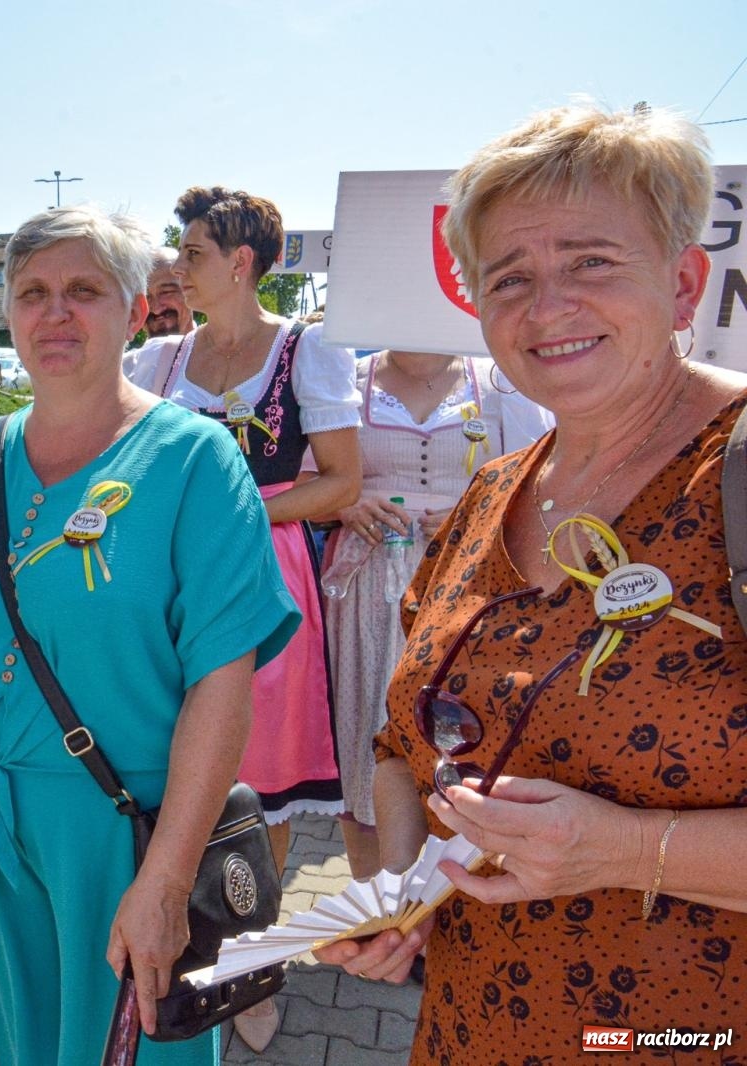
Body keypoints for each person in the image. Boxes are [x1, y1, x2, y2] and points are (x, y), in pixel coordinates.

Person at [315, 103, 747, 1056]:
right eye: (509, 277)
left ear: (683, 284)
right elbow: (399, 749)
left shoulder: (737, 473)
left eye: (592, 261)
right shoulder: (492, 492)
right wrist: (403, 890)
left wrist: (632, 849)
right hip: (473, 1026)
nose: (547, 306)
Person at [0, 204, 299, 1064]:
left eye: (83, 290)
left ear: (134, 310)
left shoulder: (194, 459)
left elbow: (222, 684)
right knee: (32, 1036)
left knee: (137, 1046)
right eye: (32, 293)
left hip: (125, 823)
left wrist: (165, 878)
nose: (55, 313)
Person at [125, 187, 359, 1050]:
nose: (178, 268)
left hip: (264, 571)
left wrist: (236, 513)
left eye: (191, 253)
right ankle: (169, 928)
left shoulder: (307, 352)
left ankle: (250, 962)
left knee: (262, 780)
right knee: (169, 753)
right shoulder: (159, 360)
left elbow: (341, 482)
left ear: (240, 263)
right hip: (167, 578)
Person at [320, 350, 552, 877]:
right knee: (363, 735)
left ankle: (456, 882)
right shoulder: (346, 379)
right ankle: (373, 899)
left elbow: (541, 480)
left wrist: (479, 507)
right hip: (367, 587)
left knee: (458, 727)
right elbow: (311, 481)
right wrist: (346, 507)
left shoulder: (497, 382)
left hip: (467, 583)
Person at [144, 246, 193, 338]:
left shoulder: (223, 351)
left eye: (166, 292)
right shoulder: (130, 353)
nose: (156, 309)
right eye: (146, 297)